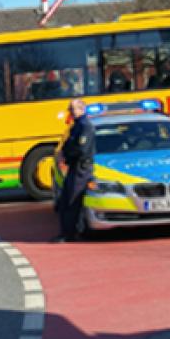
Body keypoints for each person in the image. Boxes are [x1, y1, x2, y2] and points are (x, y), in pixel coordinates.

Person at [54, 98, 96, 243]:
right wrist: (63, 153)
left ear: (81, 109)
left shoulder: (85, 126)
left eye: (73, 109)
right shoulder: (76, 126)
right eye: (70, 109)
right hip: (74, 167)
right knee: (65, 200)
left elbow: (81, 149)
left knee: (73, 201)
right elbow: (68, 144)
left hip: (81, 168)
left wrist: (68, 154)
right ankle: (67, 232)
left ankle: (71, 234)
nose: (71, 111)